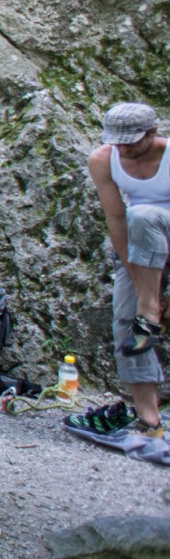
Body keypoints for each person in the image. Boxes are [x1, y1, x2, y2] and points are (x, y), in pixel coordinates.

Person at [70, 102, 166, 441]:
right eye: (117, 141)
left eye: (131, 142)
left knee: (144, 215)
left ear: (152, 133)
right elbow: (117, 221)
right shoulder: (103, 160)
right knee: (128, 324)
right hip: (140, 249)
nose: (123, 149)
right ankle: (149, 420)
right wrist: (139, 284)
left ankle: (150, 306)